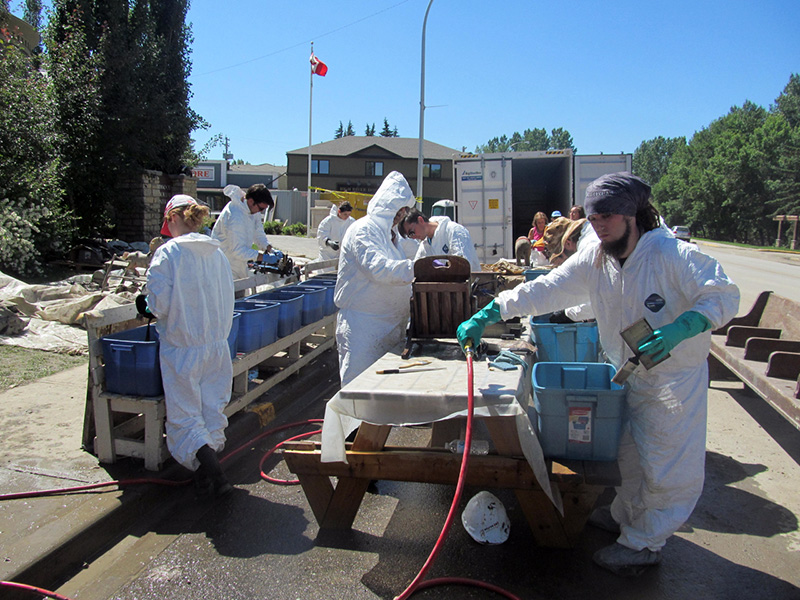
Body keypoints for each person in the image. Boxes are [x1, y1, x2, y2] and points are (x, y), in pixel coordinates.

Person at [456, 172, 739, 576]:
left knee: (666, 464)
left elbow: (723, 293)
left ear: (631, 214)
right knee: (627, 454)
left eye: (607, 216)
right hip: (626, 372)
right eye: (593, 217)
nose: (599, 225)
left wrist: (683, 327)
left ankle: (645, 543)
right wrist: (490, 312)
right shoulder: (597, 259)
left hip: (671, 381)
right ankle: (626, 516)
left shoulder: (671, 254)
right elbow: (546, 288)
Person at [138, 194, 235, 497]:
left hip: (182, 347)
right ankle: (205, 476)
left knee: (185, 415)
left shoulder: (168, 253)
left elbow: (159, 305)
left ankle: (217, 475)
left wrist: (145, 305)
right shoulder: (217, 253)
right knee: (211, 410)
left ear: (172, 218)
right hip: (217, 345)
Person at [334, 171, 416, 386]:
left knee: (383, 392)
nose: (402, 214)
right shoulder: (364, 230)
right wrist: (418, 268)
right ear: (386, 203)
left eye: (405, 210)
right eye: (399, 207)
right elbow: (378, 269)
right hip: (364, 327)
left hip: (390, 327)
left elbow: (410, 255)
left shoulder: (390, 235)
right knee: (359, 389)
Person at [211, 183, 274, 280]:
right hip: (226, 264)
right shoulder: (235, 215)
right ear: (251, 201)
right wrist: (264, 257)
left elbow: (258, 234)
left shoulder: (252, 210)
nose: (261, 212)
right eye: (261, 208)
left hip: (238, 263)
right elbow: (238, 250)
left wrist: (270, 249)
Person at [398, 208, 481, 271]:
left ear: (420, 220)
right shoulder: (424, 245)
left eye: (412, 232)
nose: (413, 237)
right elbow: (416, 268)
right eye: (410, 236)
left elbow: (463, 265)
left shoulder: (453, 230)